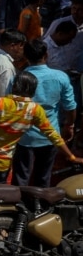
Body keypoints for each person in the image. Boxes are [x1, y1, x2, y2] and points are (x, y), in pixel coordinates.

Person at [0, 71, 83, 184]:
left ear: (14, 86)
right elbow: (53, 136)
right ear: (33, 90)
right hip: (3, 164)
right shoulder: (35, 110)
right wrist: (72, 156)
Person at [13, 39, 77, 187]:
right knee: (43, 176)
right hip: (49, 136)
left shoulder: (19, 78)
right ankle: (40, 206)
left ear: (26, 57)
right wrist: (70, 125)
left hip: (23, 136)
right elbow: (70, 107)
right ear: (46, 55)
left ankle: (18, 207)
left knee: (21, 177)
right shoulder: (60, 77)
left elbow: (10, 105)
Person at [0, 30, 26, 99]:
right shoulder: (6, 67)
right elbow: (3, 97)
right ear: (13, 46)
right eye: (22, 47)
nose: (23, 52)